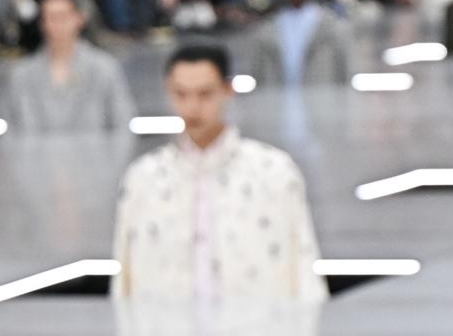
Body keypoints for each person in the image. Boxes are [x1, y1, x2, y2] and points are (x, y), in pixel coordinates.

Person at [111, 44, 326, 301]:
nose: (192, 106)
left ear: (227, 91)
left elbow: (302, 267)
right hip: (165, 334)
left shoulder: (273, 173)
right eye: (181, 94)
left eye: (204, 94)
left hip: (258, 334)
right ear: (168, 93)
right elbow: (124, 283)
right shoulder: (143, 180)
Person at [7, 0, 136, 132]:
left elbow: (122, 122)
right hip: (37, 152)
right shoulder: (23, 74)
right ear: (42, 24)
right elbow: (12, 129)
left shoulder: (104, 68)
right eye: (51, 17)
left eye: (63, 16)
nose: (57, 24)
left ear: (79, 18)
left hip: (94, 152)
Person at [246, 0, 350, 87]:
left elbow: (344, 72)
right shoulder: (268, 29)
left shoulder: (332, 27)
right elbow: (258, 75)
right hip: (278, 102)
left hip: (322, 101)